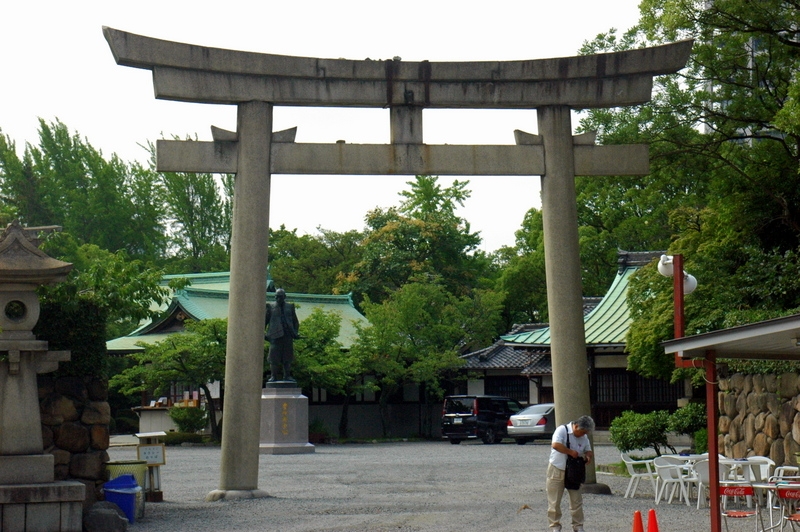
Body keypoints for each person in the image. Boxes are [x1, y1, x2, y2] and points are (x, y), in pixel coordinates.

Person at [546, 415, 595, 532]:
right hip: (557, 468)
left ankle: (578, 526)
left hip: (574, 471)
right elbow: (555, 445)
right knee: (554, 501)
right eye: (582, 432)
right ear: (576, 426)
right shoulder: (562, 430)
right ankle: (555, 526)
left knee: (576, 500)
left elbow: (588, 450)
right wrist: (570, 452)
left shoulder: (584, 437)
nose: (583, 435)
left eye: (585, 433)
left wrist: (588, 455)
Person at [264, 288, 300, 382]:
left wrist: (295, 332)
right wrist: (263, 334)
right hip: (274, 335)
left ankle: (287, 376)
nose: (277, 298)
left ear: (284, 297)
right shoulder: (270, 306)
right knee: (273, 357)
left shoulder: (290, 307)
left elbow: (295, 322)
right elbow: (264, 321)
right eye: (276, 296)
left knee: (287, 357)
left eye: (280, 297)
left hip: (288, 335)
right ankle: (273, 376)